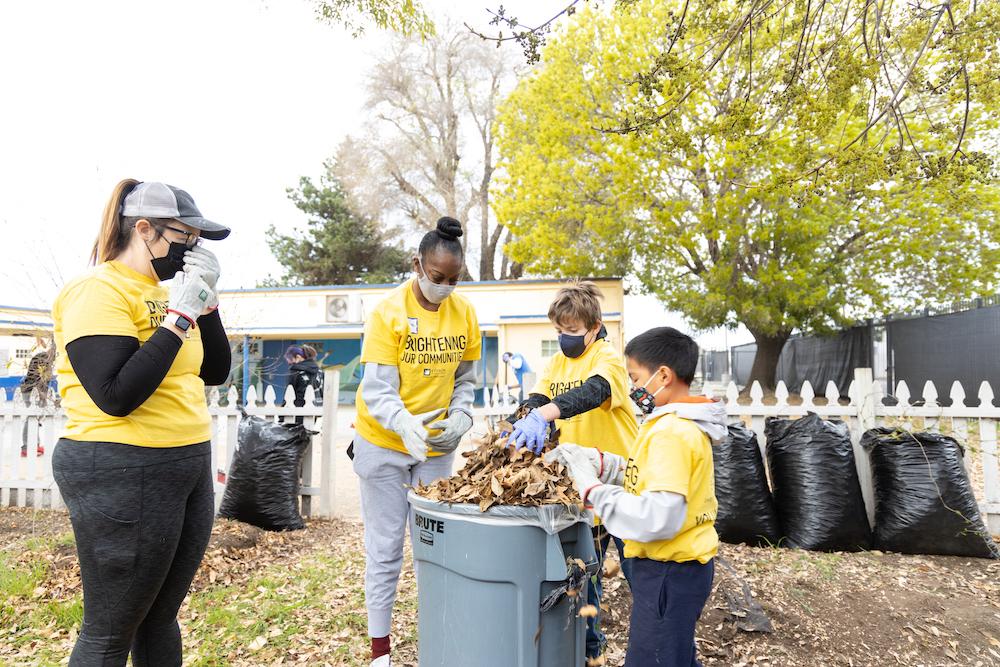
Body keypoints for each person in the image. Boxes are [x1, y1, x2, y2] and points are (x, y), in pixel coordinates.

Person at [50, 179, 231, 666]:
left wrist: (205, 305)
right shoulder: (96, 290)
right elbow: (117, 395)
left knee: (159, 616)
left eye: (197, 240)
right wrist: (179, 316)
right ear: (144, 230)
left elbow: (215, 371)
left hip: (187, 461)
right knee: (110, 630)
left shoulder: (169, 293)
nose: (191, 248)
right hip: (120, 464)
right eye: (183, 236)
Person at [548, 327, 727, 667]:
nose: (632, 388)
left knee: (655, 658)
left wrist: (592, 491)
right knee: (676, 656)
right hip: (679, 569)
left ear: (663, 376)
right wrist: (602, 463)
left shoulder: (672, 433)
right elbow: (647, 475)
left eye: (635, 377)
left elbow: (658, 516)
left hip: (668, 571)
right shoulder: (671, 424)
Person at [352, 217, 481, 667]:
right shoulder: (387, 312)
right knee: (386, 550)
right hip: (383, 442)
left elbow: (465, 377)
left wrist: (463, 413)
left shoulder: (464, 313)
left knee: (435, 549)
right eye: (436, 276)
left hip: (435, 447)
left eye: (453, 279)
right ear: (417, 265)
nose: (444, 286)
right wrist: (401, 421)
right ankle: (380, 652)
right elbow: (377, 388)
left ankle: (439, 642)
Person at [506, 281, 638, 661]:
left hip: (621, 484)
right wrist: (518, 421)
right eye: (560, 331)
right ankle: (590, 654)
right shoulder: (555, 362)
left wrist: (546, 414)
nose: (565, 339)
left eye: (573, 332)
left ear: (594, 328)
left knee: (638, 574)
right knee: (586, 582)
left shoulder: (606, 358)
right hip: (583, 493)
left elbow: (592, 393)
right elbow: (538, 397)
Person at [19, 339, 55, 457]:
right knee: (31, 417)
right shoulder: (43, 358)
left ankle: (35, 444)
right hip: (31, 390)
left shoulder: (47, 359)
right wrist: (42, 395)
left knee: (36, 418)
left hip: (35, 390)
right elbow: (37, 377)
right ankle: (26, 447)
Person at [285, 344, 321, 423]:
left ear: (298, 357)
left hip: (295, 412)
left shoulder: (295, 372)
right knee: (307, 433)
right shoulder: (319, 372)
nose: (290, 364)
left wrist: (281, 416)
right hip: (314, 411)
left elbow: (288, 394)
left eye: (290, 360)